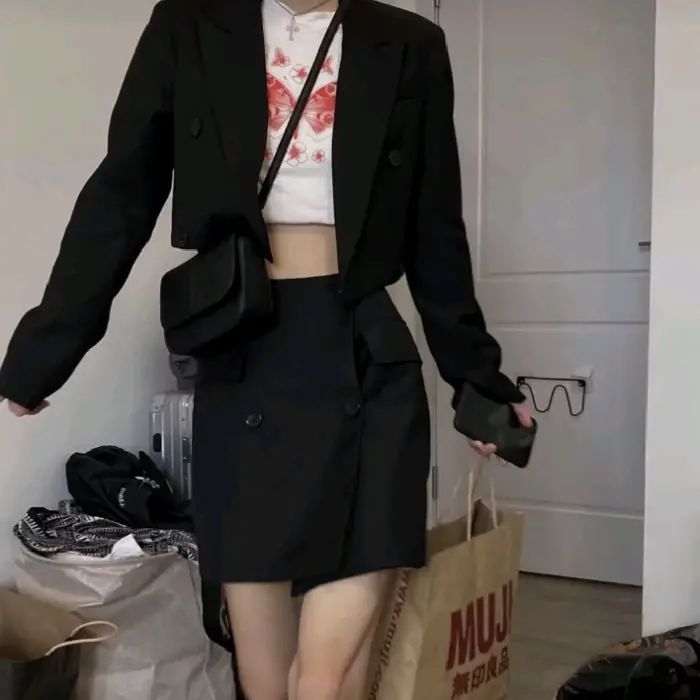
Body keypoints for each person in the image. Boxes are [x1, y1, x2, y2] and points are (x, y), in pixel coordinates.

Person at [0, 0, 533, 698]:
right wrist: (46, 350)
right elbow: (122, 192)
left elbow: (436, 228)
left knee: (327, 679)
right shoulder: (190, 25)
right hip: (244, 357)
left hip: (367, 359)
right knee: (265, 676)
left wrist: (478, 377)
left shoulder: (408, 43)